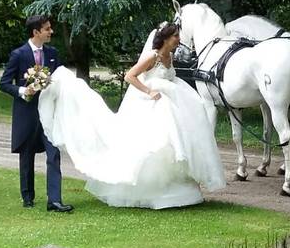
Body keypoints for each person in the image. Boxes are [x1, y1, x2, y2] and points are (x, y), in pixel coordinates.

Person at [37, 22, 226, 209]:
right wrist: (149, 91)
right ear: (166, 38)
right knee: (155, 146)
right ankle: (150, 190)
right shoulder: (153, 56)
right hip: (152, 103)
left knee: (175, 143)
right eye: (175, 36)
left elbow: (169, 76)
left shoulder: (170, 55)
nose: (179, 39)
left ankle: (177, 189)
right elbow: (130, 76)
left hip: (171, 100)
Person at [0, 15, 73, 212]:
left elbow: (59, 80)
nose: (51, 32)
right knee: (27, 155)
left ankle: (54, 200)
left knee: (53, 152)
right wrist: (24, 91)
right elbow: (4, 84)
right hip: (27, 112)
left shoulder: (53, 53)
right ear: (36, 32)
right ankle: (28, 196)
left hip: (50, 113)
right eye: (47, 29)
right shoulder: (19, 54)